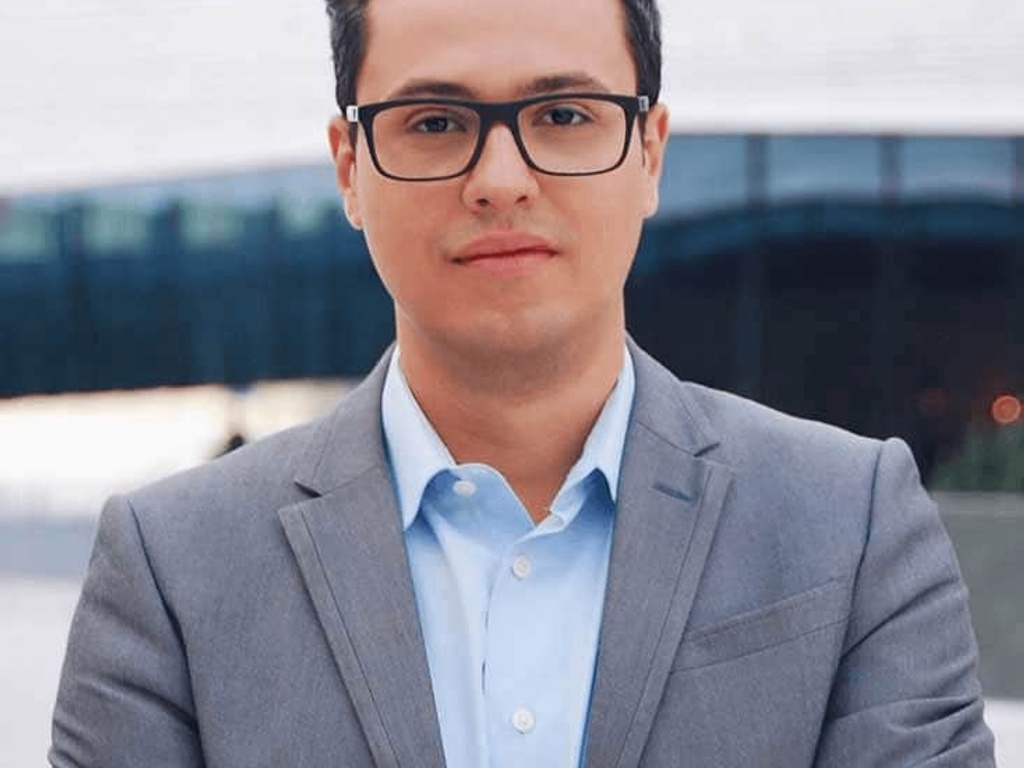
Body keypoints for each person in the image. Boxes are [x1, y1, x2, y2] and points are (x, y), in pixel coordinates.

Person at [50, 0, 996, 765]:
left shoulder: (852, 522)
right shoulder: (172, 569)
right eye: (433, 122)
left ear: (650, 153)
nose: (500, 180)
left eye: (563, 115)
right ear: (350, 170)